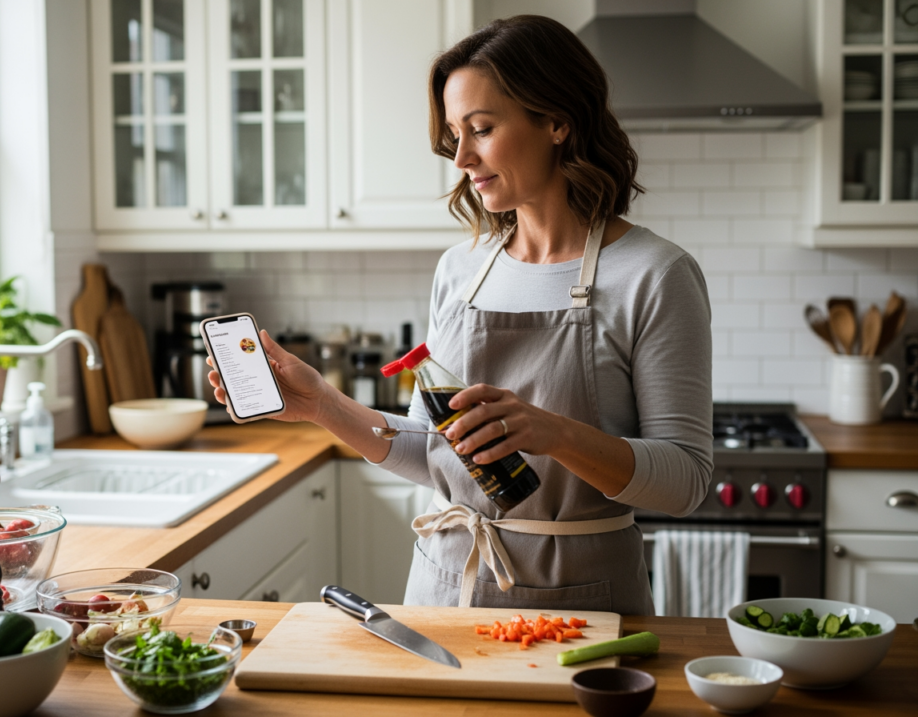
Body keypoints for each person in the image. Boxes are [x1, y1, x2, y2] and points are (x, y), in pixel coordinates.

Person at [208, 15, 712, 615]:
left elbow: (685, 482)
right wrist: (322, 405)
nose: (462, 157)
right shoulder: (462, 269)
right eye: (455, 134)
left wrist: (555, 434)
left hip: (585, 607)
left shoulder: (654, 274)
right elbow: (436, 452)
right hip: (445, 591)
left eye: (482, 128)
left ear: (556, 121)